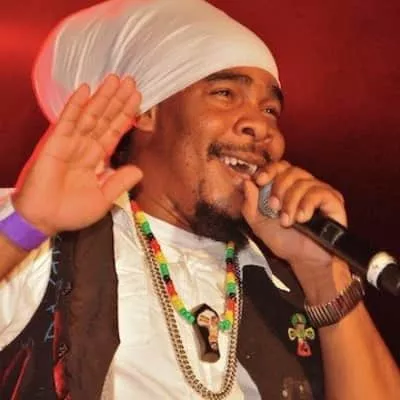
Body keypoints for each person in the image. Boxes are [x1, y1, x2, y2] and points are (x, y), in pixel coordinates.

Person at [0, 0, 399, 399]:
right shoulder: (36, 240)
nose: (262, 127)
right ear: (146, 112)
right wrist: (26, 225)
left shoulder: (283, 281)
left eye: (270, 109)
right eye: (225, 94)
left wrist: (324, 276)